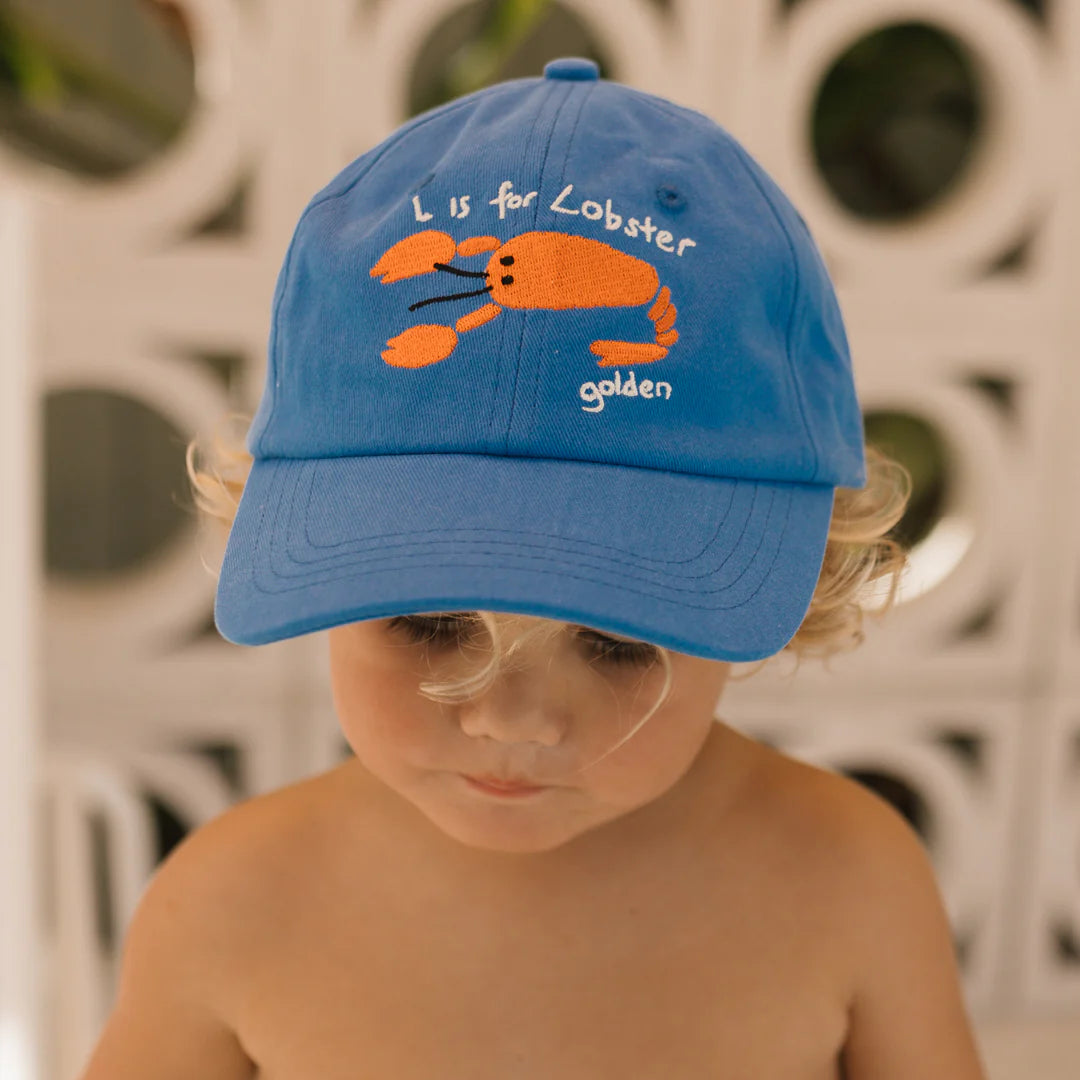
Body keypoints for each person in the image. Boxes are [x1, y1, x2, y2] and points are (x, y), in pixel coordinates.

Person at [78, 57, 988, 1080]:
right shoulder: (227, 908)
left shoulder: (852, 885)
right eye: (428, 623)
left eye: (618, 639)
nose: (512, 720)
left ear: (807, 586)